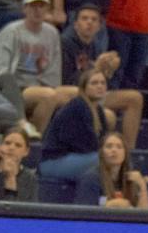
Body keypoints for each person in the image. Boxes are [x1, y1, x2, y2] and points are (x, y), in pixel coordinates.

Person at [0, 0, 71, 130]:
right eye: (33, 6)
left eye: (41, 6)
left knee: (78, 95)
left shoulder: (52, 33)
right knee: (49, 96)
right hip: (17, 88)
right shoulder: (10, 32)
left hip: (42, 85)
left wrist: (50, 86)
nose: (37, 10)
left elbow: (54, 70)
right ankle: (33, 141)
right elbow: (0, 71)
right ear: (24, 9)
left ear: (47, 9)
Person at [39, 67, 122, 200]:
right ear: (84, 87)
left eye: (102, 83)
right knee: (105, 159)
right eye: (94, 83)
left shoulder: (98, 110)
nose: (100, 86)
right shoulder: (77, 107)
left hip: (78, 159)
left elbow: (104, 141)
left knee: (115, 155)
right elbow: (83, 145)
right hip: (53, 162)